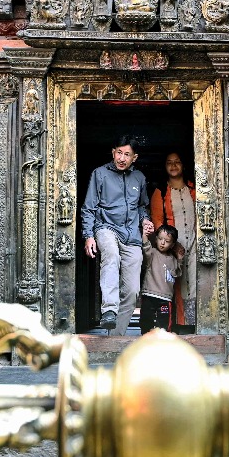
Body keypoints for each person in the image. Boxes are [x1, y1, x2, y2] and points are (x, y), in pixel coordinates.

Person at [81, 135, 154, 334]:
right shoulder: (100, 174)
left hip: (132, 236)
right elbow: (88, 208)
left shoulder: (139, 178)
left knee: (132, 290)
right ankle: (109, 310)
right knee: (111, 255)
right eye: (119, 153)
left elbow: (142, 208)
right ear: (113, 152)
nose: (122, 158)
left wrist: (145, 221)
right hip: (106, 227)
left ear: (134, 157)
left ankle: (115, 336)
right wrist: (88, 235)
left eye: (127, 154)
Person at [150, 152, 197, 331]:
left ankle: (196, 322)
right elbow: (157, 222)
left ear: (183, 166)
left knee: (194, 282)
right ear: (165, 167)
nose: (174, 165)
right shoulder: (161, 192)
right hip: (172, 247)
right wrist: (171, 245)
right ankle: (179, 324)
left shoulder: (194, 189)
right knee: (175, 284)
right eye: (169, 162)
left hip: (195, 244)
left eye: (177, 162)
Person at [140, 225, 183, 333]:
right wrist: (145, 236)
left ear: (172, 244)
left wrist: (180, 259)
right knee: (146, 320)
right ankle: (145, 340)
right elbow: (146, 249)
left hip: (165, 298)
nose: (162, 243)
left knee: (164, 323)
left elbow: (176, 274)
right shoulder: (153, 253)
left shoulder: (173, 259)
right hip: (149, 294)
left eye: (167, 241)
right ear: (156, 239)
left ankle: (162, 342)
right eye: (160, 239)